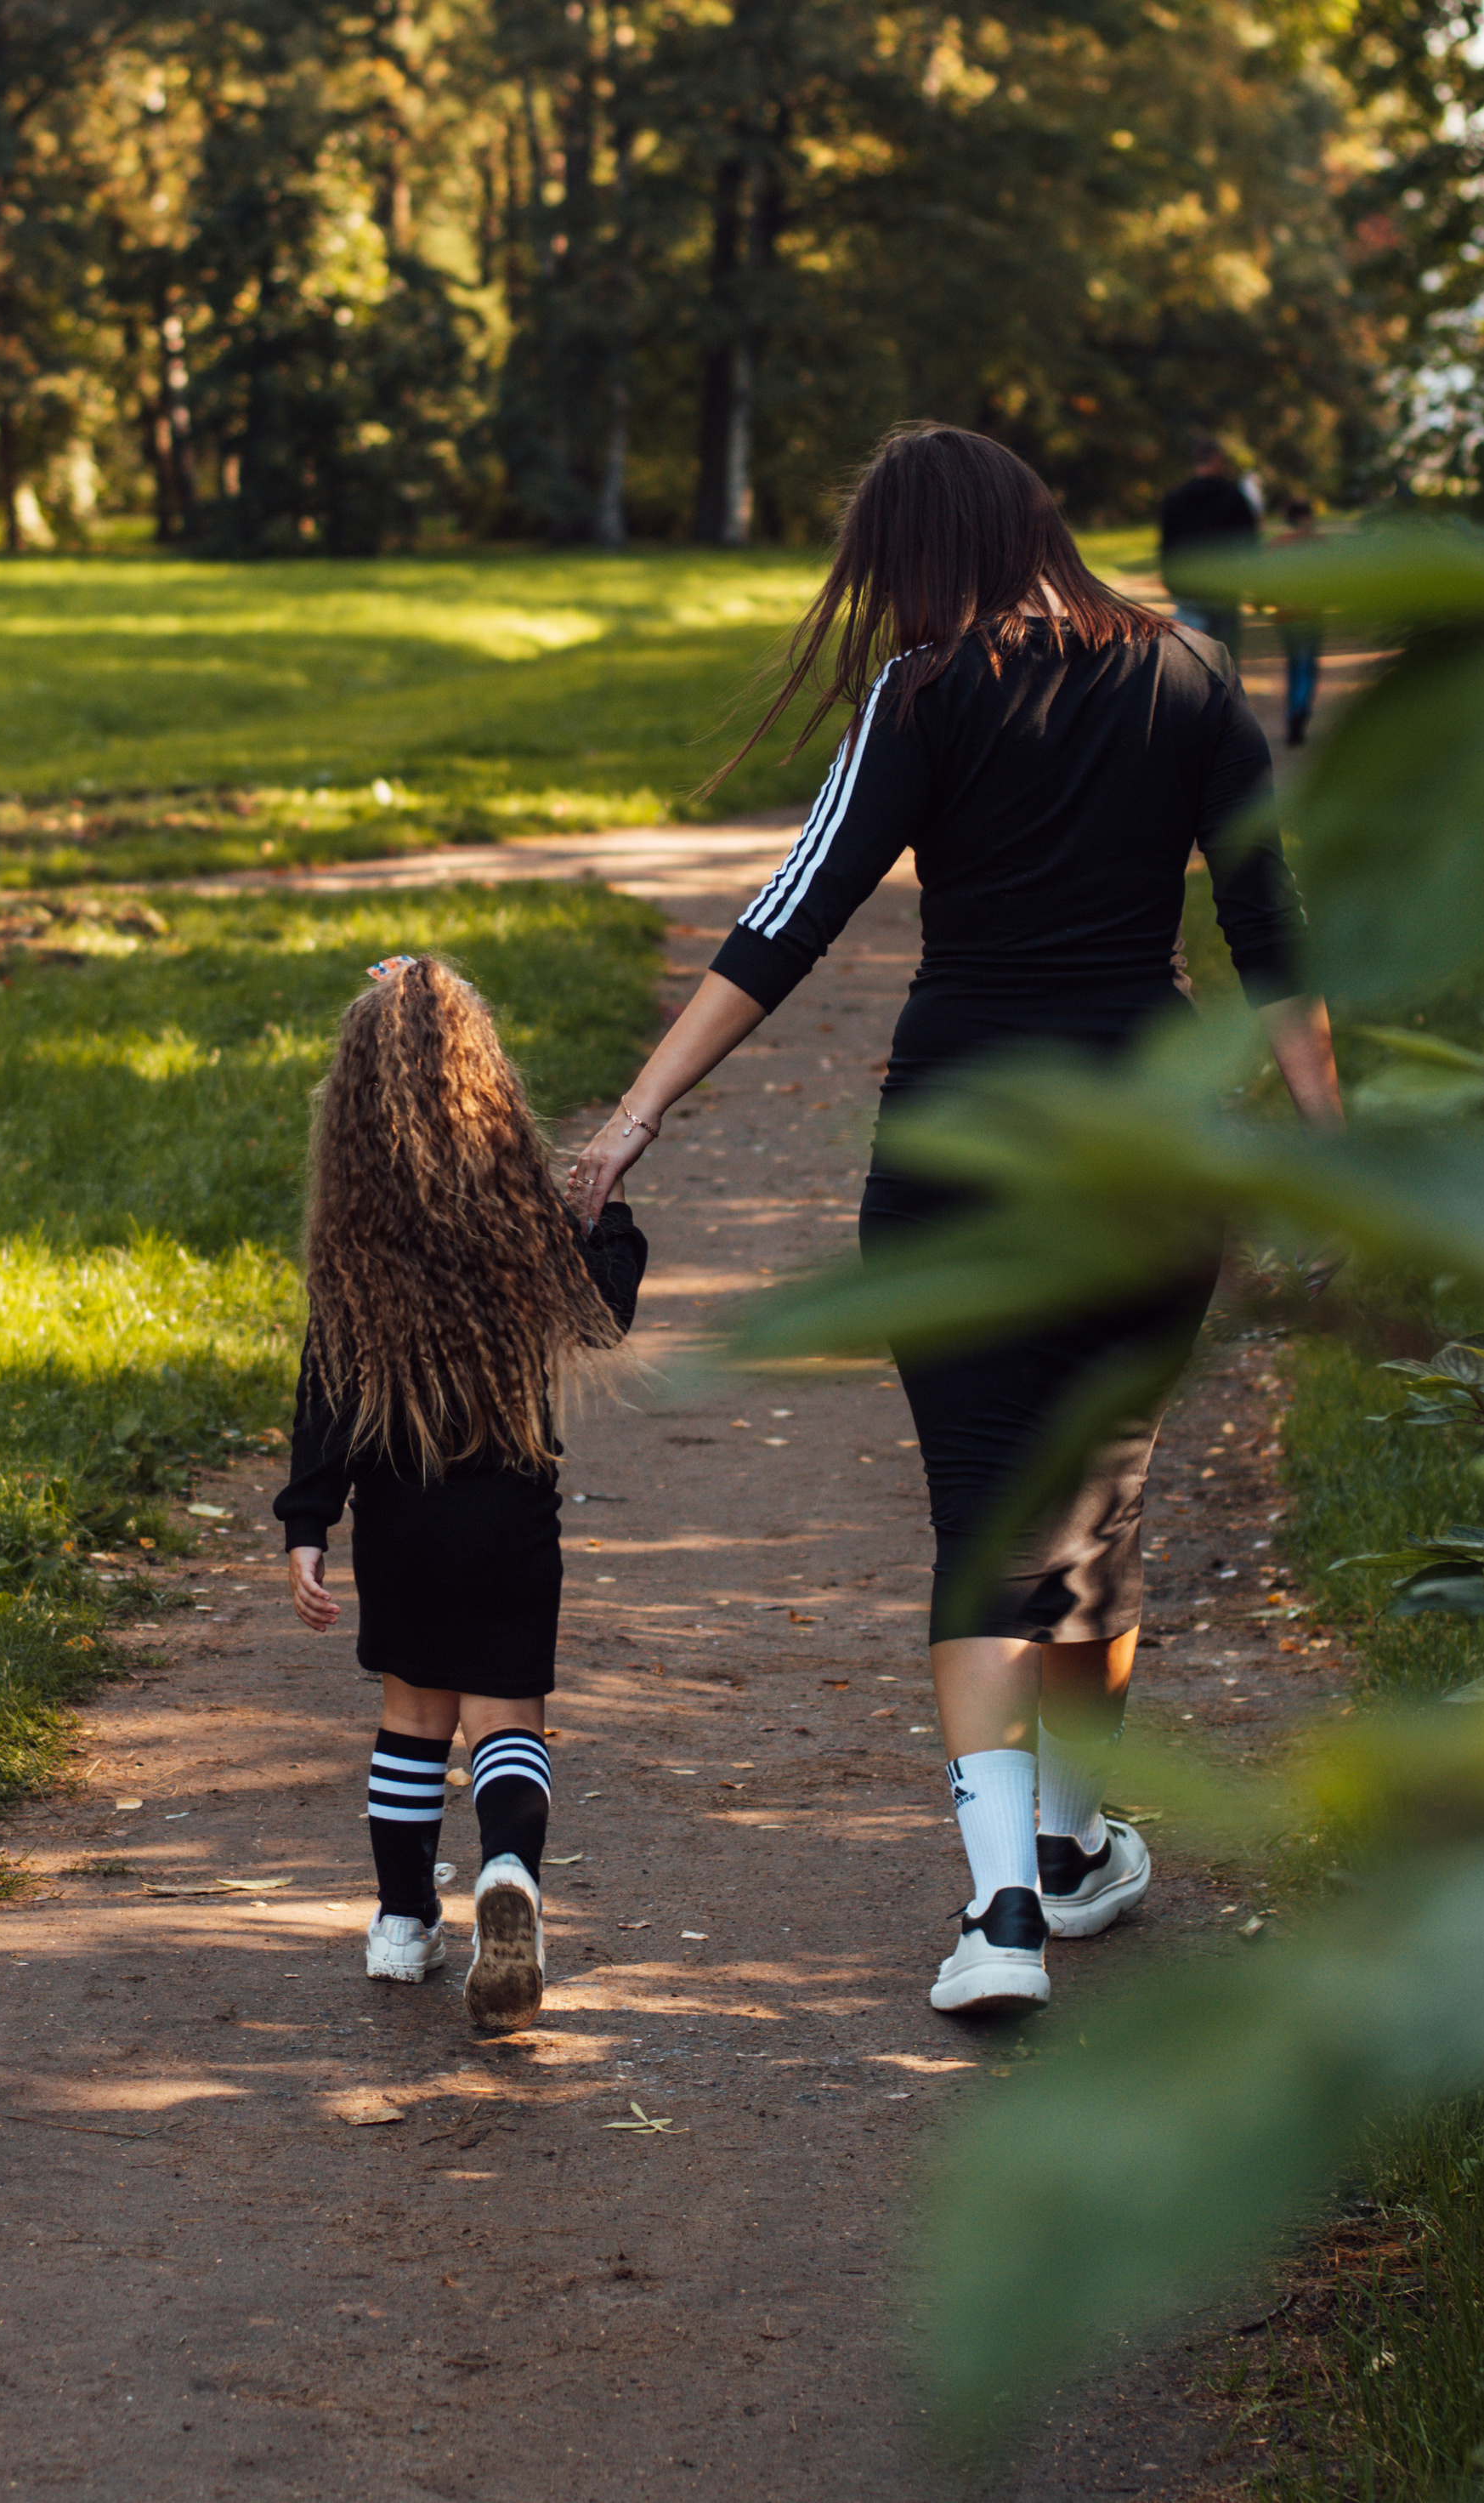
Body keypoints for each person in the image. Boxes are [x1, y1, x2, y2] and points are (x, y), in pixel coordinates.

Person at [569, 424, 1340, 2017]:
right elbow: (1271, 931)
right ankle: (1073, 1846)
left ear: (923, 556)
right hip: (1150, 1154)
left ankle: (1005, 1914)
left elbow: (790, 914)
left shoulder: (919, 695)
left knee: (988, 1519)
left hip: (956, 1158)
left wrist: (635, 1119)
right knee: (1094, 1507)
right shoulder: (1193, 677)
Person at [274, 952, 647, 2033]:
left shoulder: (354, 1237)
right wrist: (611, 1219)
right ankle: (510, 1878)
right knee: (504, 1718)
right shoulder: (523, 1212)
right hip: (511, 1514)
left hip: (400, 1521)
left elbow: (323, 1392)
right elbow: (603, 1316)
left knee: (412, 1720)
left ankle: (402, 1924)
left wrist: (307, 1523)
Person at [1158, 433, 1260, 667]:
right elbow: (1249, 545)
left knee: (1192, 662)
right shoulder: (1234, 498)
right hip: (1225, 588)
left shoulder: (1175, 500)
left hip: (1189, 588)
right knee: (1226, 663)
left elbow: (1167, 547)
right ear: (1217, 460)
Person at [1277, 495, 1322, 746]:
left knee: (1294, 663)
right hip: (1311, 613)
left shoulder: (1276, 546)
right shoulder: (1319, 545)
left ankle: (1294, 710)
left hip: (1285, 615)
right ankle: (1299, 710)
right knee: (1306, 665)